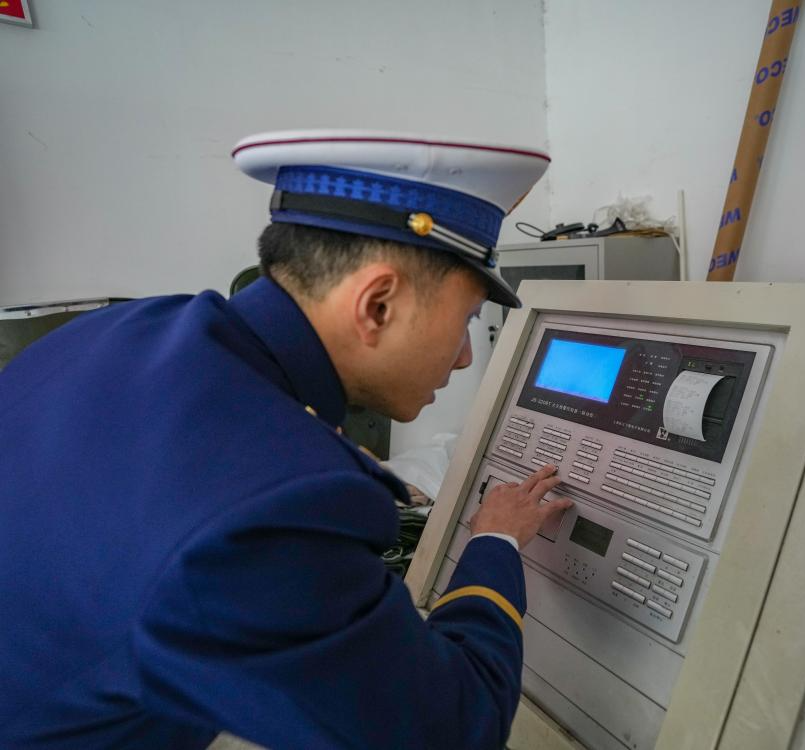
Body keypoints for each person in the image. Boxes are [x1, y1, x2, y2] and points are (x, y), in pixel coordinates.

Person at [0, 130, 573, 749]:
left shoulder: (119, 328)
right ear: (377, 305)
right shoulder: (278, 507)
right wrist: (493, 543)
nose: (464, 357)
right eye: (465, 320)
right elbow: (453, 729)